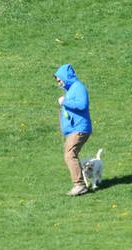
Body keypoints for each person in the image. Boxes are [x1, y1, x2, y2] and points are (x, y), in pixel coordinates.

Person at [54, 64, 93, 196]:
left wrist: (65, 101)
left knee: (70, 155)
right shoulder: (71, 90)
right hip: (74, 129)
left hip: (80, 128)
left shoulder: (79, 87)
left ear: (66, 77)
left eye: (60, 79)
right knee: (70, 155)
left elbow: (82, 105)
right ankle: (84, 181)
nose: (59, 83)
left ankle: (80, 185)